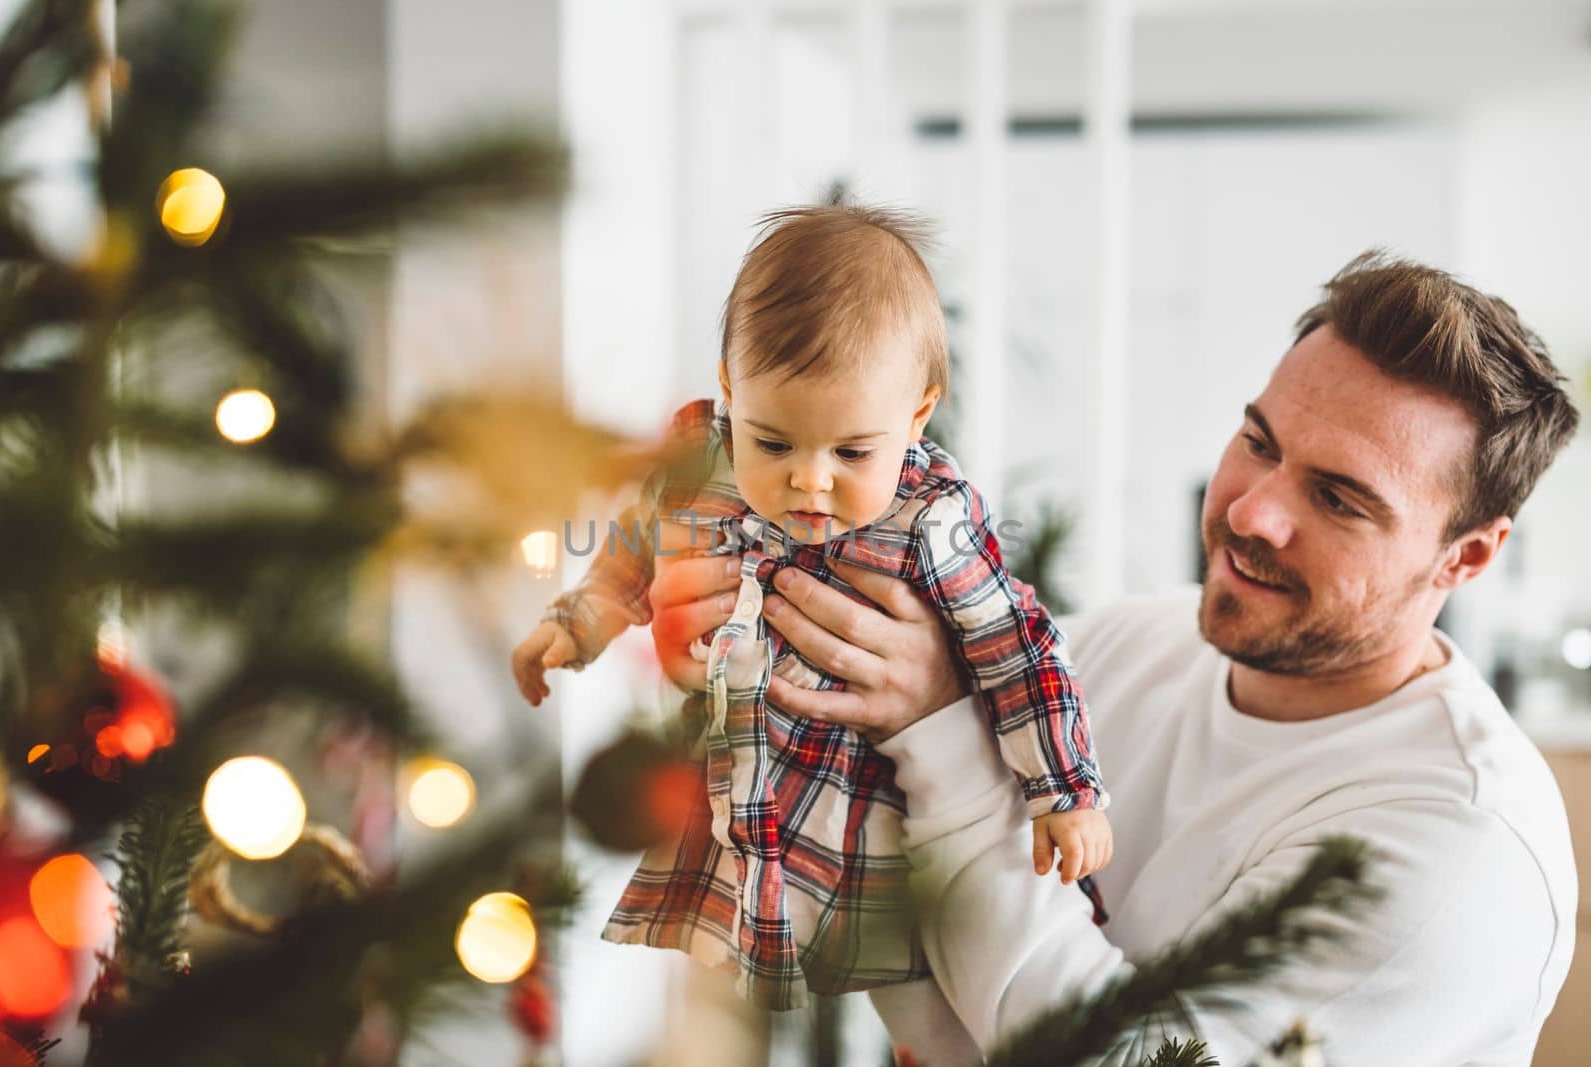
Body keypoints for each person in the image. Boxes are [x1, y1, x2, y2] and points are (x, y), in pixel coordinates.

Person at [647, 252, 1580, 1064]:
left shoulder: (1461, 854)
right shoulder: (1129, 642)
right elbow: (917, 953)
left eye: (1339, 499)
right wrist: (760, 657)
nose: (1253, 510)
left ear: (1464, 556)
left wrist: (942, 729)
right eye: (1259, 442)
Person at [511, 206, 1109, 1021]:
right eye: (775, 442)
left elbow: (1018, 649)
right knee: (708, 1003)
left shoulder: (927, 521)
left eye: (852, 452)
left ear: (918, 416)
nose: (810, 481)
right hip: (735, 811)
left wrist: (1065, 789)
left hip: (865, 831)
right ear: (729, 393)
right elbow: (633, 548)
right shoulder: (705, 465)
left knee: (919, 1016)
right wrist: (576, 623)